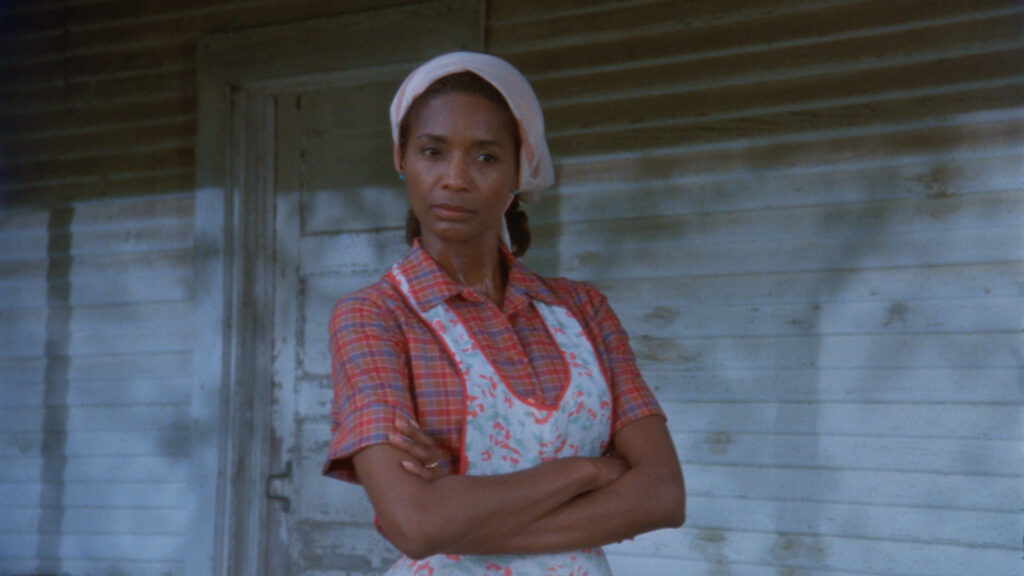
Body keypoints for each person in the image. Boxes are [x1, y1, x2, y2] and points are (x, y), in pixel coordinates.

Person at [323, 51, 685, 575]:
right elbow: (415, 524)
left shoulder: (582, 309)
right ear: (401, 158)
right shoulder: (374, 317)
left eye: (486, 157)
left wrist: (459, 509)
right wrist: (586, 472)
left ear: (520, 168)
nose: (455, 178)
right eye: (432, 151)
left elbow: (662, 494)